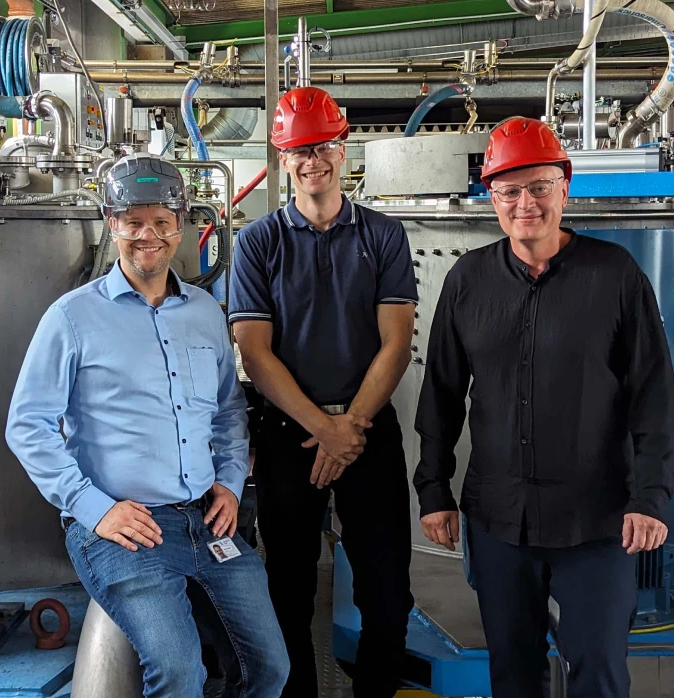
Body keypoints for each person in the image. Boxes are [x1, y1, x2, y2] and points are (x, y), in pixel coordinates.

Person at [413, 117, 674, 698]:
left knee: (599, 672)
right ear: (492, 198)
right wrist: (433, 490)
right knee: (514, 676)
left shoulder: (615, 275)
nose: (525, 203)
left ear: (564, 187)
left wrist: (652, 498)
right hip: (499, 523)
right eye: (509, 191)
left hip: (597, 521)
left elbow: (656, 396)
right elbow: (439, 392)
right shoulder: (468, 280)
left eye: (539, 187)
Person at [6, 154, 289, 697]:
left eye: (161, 220)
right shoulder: (71, 317)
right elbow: (28, 425)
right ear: (111, 223)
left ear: (181, 224)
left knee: (271, 669)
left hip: (207, 520)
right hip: (124, 527)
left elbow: (228, 410)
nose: (148, 235)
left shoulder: (206, 310)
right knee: (180, 674)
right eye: (133, 221)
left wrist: (229, 483)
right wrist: (96, 508)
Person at [229, 86, 417, 698]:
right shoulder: (258, 241)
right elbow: (255, 352)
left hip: (367, 434)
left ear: (344, 149)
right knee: (288, 590)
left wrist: (349, 427)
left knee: (388, 593)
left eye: (325, 146)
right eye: (300, 150)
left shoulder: (385, 236)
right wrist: (323, 427)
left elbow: (397, 343)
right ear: (284, 158)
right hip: (287, 434)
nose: (314, 160)